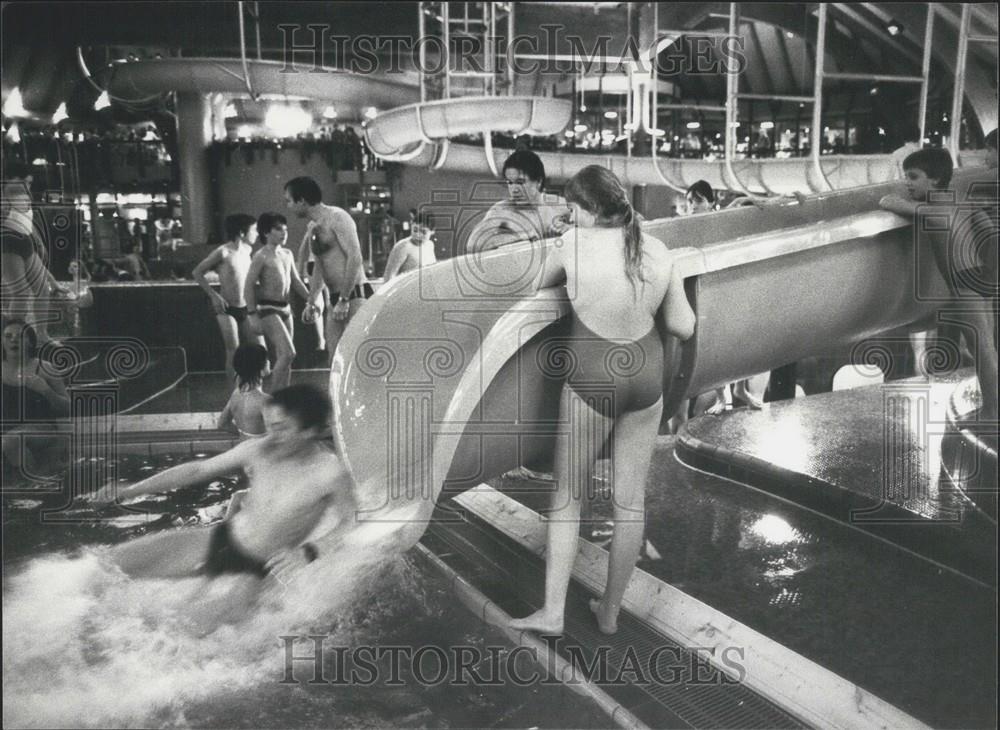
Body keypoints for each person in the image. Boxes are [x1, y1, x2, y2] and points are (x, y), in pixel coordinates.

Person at [509, 165, 696, 635]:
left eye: (573, 210)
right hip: (647, 377)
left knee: (568, 497)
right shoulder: (655, 248)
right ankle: (609, 614)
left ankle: (553, 614)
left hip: (594, 375)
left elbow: (534, 287)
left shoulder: (572, 244)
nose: (569, 218)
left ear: (590, 209)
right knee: (629, 504)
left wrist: (562, 244)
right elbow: (683, 325)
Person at [88, 385, 357, 627]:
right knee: (107, 566)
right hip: (221, 540)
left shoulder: (329, 473)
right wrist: (130, 489)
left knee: (175, 632)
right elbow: (197, 471)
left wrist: (308, 552)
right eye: (270, 426)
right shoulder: (258, 449)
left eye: (282, 429)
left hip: (258, 568)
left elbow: (351, 522)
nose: (272, 436)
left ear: (310, 430)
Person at [880, 148, 997, 423]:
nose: (907, 182)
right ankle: (994, 405)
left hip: (964, 278)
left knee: (980, 347)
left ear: (934, 180)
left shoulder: (933, 208)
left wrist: (891, 197)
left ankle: (993, 411)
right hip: (983, 273)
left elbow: (890, 202)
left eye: (913, 176)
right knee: (988, 344)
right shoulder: (961, 200)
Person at [284, 176, 370, 363]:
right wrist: (312, 300)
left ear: (302, 201)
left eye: (289, 201)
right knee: (335, 361)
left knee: (357, 361)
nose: (288, 206)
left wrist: (345, 299)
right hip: (336, 299)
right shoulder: (313, 227)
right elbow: (319, 267)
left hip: (354, 296)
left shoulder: (338, 217)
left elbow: (355, 258)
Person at [193, 214, 261, 384]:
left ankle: (255, 387)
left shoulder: (248, 251)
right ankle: (233, 393)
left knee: (259, 348)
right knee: (233, 349)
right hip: (227, 308)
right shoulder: (223, 252)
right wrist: (214, 295)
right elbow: (197, 272)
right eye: (254, 230)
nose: (257, 233)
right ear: (241, 232)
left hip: (245, 307)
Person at [245, 213, 310, 391]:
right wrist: (252, 315)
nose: (284, 233)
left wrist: (312, 300)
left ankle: (284, 399)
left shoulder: (287, 254)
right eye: (279, 229)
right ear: (266, 233)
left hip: (285, 308)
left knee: (285, 358)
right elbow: (248, 285)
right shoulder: (261, 256)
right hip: (268, 308)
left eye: (285, 229)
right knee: (289, 353)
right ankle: (273, 399)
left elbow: (296, 282)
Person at [465, 150, 572, 255]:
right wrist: (521, 238)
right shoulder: (501, 210)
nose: (514, 190)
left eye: (520, 182)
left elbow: (587, 233)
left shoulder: (561, 206)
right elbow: (472, 245)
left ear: (538, 182)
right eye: (510, 183)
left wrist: (570, 231)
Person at [1, 320, 70, 473]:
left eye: (19, 336)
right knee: (9, 439)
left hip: (42, 430)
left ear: (30, 342)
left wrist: (45, 390)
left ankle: (34, 486)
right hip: (5, 430)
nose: (13, 339)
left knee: (13, 439)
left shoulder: (45, 368)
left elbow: (68, 409)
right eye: (8, 336)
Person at [217, 343, 269, 439]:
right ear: (261, 367)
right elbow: (277, 437)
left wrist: (245, 435)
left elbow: (222, 424)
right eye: (266, 360)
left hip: (243, 449)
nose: (269, 362)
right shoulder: (265, 401)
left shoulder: (236, 394)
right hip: (262, 452)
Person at [382, 211, 437, 280]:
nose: (418, 235)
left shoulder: (430, 245)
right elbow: (388, 277)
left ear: (432, 231)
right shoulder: (403, 247)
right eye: (415, 230)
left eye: (423, 232)